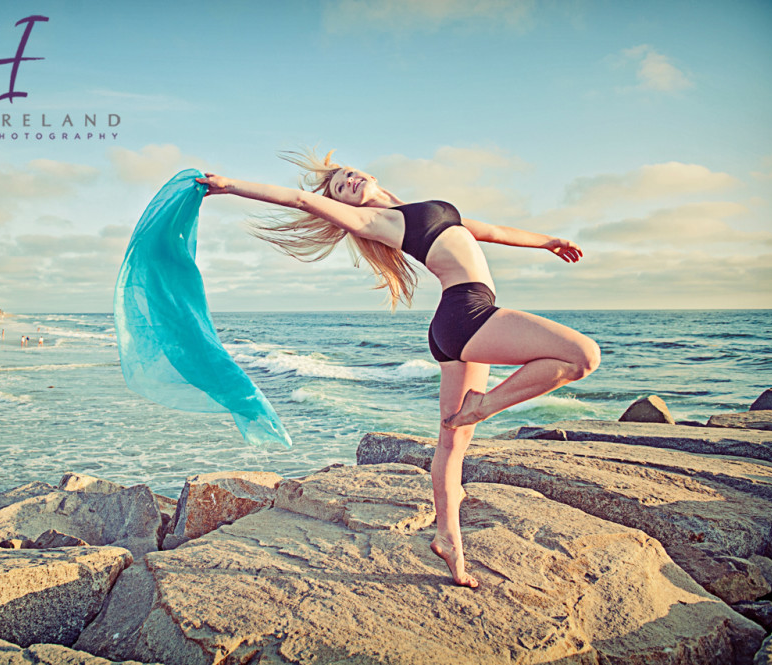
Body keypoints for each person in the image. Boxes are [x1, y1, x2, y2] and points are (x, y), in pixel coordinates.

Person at [196, 149, 599, 588]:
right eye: (338, 188)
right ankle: (484, 406)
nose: (347, 180)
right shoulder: (378, 223)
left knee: (452, 442)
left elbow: (493, 231)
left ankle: (449, 542)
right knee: (582, 356)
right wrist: (230, 185)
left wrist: (549, 241)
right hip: (466, 316)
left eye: (348, 174)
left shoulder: (423, 209)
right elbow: (301, 200)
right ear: (345, 207)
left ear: (367, 173)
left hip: (455, 323)